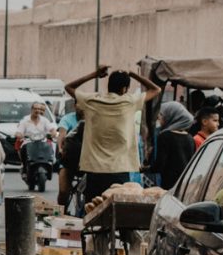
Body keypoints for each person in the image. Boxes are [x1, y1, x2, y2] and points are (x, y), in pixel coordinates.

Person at [64, 65, 161, 202]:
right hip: (120, 169)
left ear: (109, 86)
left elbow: (69, 87)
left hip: (94, 170)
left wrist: (95, 74)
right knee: (117, 213)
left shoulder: (92, 100)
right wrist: (134, 75)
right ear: (124, 89)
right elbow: (156, 89)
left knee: (92, 211)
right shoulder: (130, 101)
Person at [147, 102, 196, 190]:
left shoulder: (164, 136)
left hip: (169, 186)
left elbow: (159, 165)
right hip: (185, 186)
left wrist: (146, 168)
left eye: (161, 116)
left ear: (171, 116)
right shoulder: (190, 138)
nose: (159, 120)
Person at [15, 101, 56, 167]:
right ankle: (24, 166)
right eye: (35, 109)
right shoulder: (25, 120)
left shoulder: (44, 120)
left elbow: (52, 129)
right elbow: (19, 131)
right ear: (32, 109)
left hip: (42, 141)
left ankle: (49, 164)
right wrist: (19, 134)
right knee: (23, 148)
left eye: (39, 109)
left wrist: (54, 132)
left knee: (50, 147)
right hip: (28, 142)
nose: (37, 110)